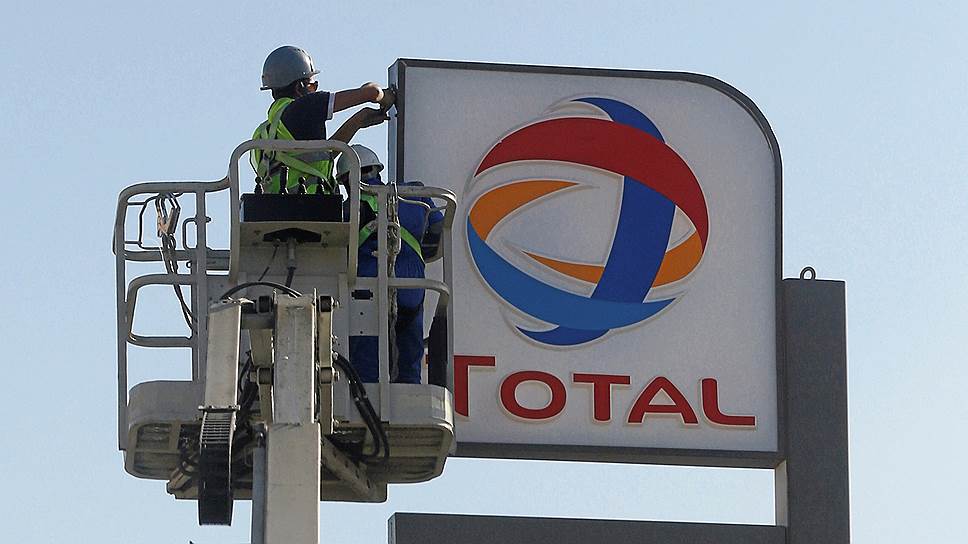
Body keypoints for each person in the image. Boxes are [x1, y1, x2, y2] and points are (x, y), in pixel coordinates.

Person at [336, 145, 443, 384]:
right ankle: (409, 388)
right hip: (411, 289)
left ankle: (365, 399)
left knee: (365, 368)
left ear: (346, 181)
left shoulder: (346, 210)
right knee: (409, 360)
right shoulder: (414, 194)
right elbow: (438, 229)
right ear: (377, 169)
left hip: (367, 292)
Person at [250, 45, 395, 195]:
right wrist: (385, 95)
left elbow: (319, 156)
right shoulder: (304, 107)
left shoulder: (263, 134)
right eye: (313, 85)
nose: (315, 90)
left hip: (278, 206)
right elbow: (372, 93)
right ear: (299, 87)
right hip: (311, 203)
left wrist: (357, 122)